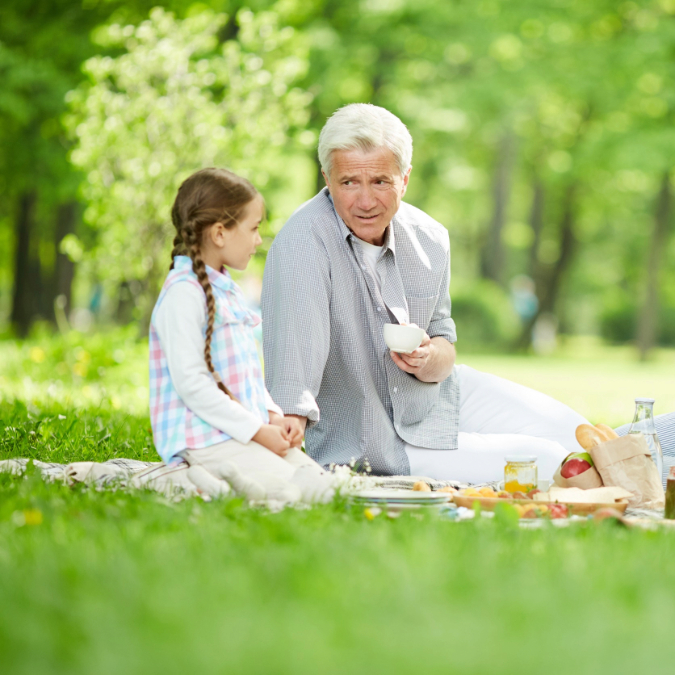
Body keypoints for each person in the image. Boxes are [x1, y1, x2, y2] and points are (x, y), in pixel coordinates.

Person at [261, 104, 588, 484]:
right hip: (376, 438)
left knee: (577, 433)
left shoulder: (429, 237)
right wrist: (285, 444)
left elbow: (443, 341)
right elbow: (292, 373)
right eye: (349, 182)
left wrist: (429, 358)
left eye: (380, 181)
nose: (365, 201)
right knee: (554, 461)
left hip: (436, 396)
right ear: (327, 178)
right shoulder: (303, 244)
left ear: (405, 178)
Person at [149, 167, 334, 502]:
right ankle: (181, 480)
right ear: (220, 233)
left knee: (323, 485)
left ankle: (216, 483)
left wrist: (274, 415)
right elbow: (192, 385)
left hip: (243, 435)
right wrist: (258, 432)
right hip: (207, 440)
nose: (258, 240)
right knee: (299, 494)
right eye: (253, 228)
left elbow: (244, 375)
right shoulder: (183, 294)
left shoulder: (226, 290)